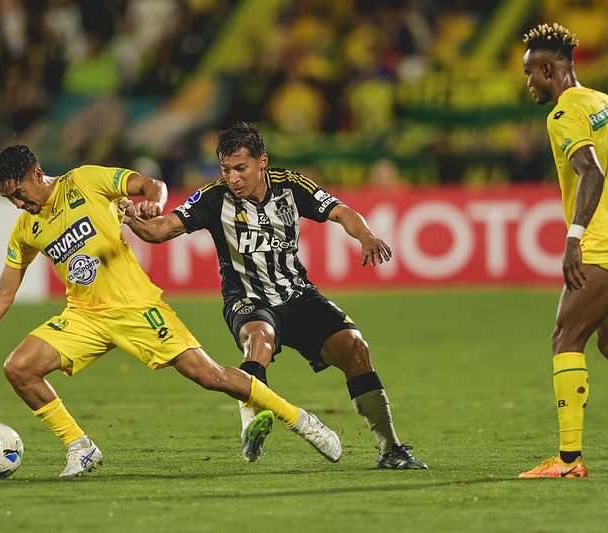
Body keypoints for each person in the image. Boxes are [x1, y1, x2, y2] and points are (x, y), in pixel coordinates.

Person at [0, 144, 342, 478]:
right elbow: (3, 291)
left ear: (36, 174)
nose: (16, 203)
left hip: (136, 308)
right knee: (19, 368)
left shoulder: (84, 181)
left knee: (210, 376)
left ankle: (300, 419)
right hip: (84, 316)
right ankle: (80, 448)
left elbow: (149, 184)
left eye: (18, 193)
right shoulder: (26, 228)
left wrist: (152, 205)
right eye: (8, 198)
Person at [121, 122, 427, 469]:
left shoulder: (292, 186)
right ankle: (252, 427)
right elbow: (160, 230)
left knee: (356, 348)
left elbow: (341, 212)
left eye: (240, 168)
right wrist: (133, 218)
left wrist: (366, 235)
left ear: (262, 161)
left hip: (298, 295)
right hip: (247, 299)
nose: (232, 178)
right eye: (225, 169)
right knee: (259, 340)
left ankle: (390, 449)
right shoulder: (213, 197)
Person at [517, 24, 608, 479]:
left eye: (530, 74)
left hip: (603, 242)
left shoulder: (565, 114)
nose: (528, 84)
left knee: (566, 338)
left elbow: (592, 172)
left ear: (549, 68)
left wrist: (574, 237)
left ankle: (567, 461)